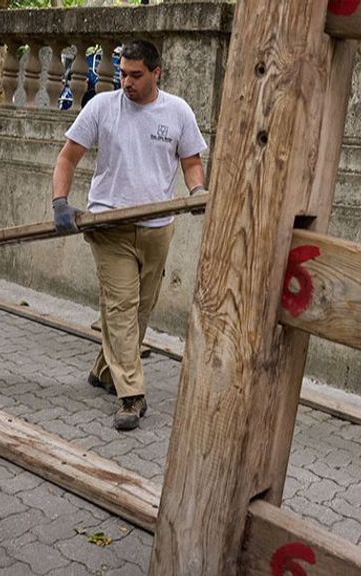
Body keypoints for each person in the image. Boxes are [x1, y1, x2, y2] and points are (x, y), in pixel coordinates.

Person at [51, 40, 207, 431]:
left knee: (138, 311)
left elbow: (191, 162)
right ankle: (131, 395)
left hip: (158, 228)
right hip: (109, 227)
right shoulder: (102, 107)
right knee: (121, 308)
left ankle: (105, 370)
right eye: (122, 73)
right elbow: (68, 156)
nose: (127, 82)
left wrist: (197, 190)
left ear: (157, 73)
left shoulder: (178, 111)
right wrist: (60, 202)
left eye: (136, 75)